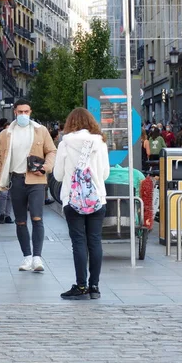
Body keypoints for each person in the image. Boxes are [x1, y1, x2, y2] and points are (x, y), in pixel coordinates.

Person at [0, 99, 57, 272]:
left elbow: (51, 151)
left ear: (30, 112)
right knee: (20, 221)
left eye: (26, 112)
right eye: (20, 112)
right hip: (16, 180)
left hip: (36, 180)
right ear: (14, 112)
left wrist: (45, 168)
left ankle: (37, 257)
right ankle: (26, 257)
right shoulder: (6, 134)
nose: (23, 115)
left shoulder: (40, 131)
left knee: (37, 217)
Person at [53, 108, 110, 300]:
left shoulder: (65, 143)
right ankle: (95, 286)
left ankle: (81, 285)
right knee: (95, 240)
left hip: (73, 199)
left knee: (78, 241)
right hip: (96, 199)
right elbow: (105, 174)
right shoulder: (100, 142)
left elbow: (58, 175)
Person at [0, 119, 14, 224]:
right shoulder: (1, 140)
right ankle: (2, 214)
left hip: (14, 170)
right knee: (4, 194)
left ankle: (8, 215)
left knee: (10, 194)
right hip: (3, 171)